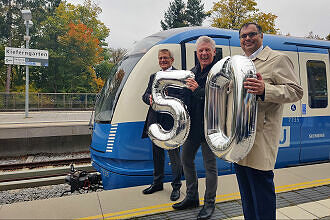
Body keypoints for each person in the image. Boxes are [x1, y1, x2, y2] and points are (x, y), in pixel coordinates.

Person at [235, 22, 303, 220]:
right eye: (243, 36)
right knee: (247, 198)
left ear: (261, 36)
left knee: (262, 198)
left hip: (261, 141)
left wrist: (265, 90)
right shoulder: (240, 63)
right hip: (239, 140)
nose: (247, 39)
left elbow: (296, 91)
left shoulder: (277, 59)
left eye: (252, 34)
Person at [172, 36, 218, 220]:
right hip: (193, 127)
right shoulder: (191, 72)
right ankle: (192, 197)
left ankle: (209, 203)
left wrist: (198, 90)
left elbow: (219, 101)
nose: (204, 53)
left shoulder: (218, 73)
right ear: (197, 53)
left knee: (210, 167)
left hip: (210, 127)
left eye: (207, 50)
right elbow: (187, 97)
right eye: (201, 51)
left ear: (213, 52)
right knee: (186, 160)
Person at [141, 48, 183, 201]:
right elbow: (144, 95)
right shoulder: (154, 76)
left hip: (172, 123)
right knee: (157, 155)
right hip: (155, 123)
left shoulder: (179, 75)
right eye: (160, 58)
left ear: (172, 60)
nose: (162, 61)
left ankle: (176, 186)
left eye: (165, 58)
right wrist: (149, 98)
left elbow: (183, 96)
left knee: (174, 157)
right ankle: (157, 183)